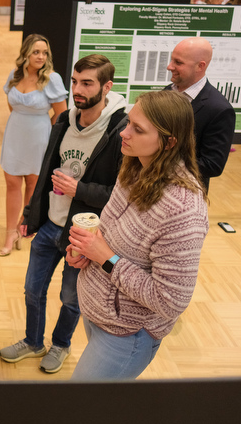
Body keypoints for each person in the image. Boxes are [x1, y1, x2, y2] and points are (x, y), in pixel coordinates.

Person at [66, 90, 209, 380]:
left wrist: (105, 258)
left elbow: (170, 301)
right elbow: (109, 235)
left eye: (137, 129)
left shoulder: (183, 210)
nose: (124, 133)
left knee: (80, 413)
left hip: (127, 335)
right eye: (129, 122)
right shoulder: (133, 167)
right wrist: (87, 255)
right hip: (99, 313)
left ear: (169, 142)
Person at [0, 55, 127, 374]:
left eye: (87, 83)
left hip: (83, 236)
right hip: (49, 226)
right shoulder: (64, 120)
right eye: (74, 82)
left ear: (107, 87)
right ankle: (32, 341)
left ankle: (61, 345)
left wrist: (78, 190)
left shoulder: (120, 130)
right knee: (32, 289)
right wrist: (30, 213)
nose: (78, 89)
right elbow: (46, 172)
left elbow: (122, 195)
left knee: (71, 298)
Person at [0, 34, 68, 257]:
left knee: (32, 183)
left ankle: (23, 227)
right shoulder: (14, 75)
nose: (41, 56)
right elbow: (12, 105)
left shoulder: (51, 78)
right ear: (26, 53)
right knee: (11, 182)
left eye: (45, 52)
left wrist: (44, 129)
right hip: (14, 134)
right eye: (36, 52)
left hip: (38, 136)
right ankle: (10, 232)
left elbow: (61, 114)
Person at [165, 37, 235, 191]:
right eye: (172, 60)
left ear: (200, 66)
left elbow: (213, 165)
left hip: (186, 193)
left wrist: (163, 164)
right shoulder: (167, 92)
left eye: (178, 62)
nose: (169, 66)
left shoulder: (219, 110)